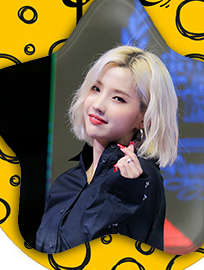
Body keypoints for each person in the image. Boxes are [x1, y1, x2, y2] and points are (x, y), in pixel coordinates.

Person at [35, 45, 179, 253]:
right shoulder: (66, 182)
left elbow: (98, 251)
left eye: (118, 98)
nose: (98, 105)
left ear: (144, 117)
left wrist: (123, 191)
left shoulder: (140, 178)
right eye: (96, 89)